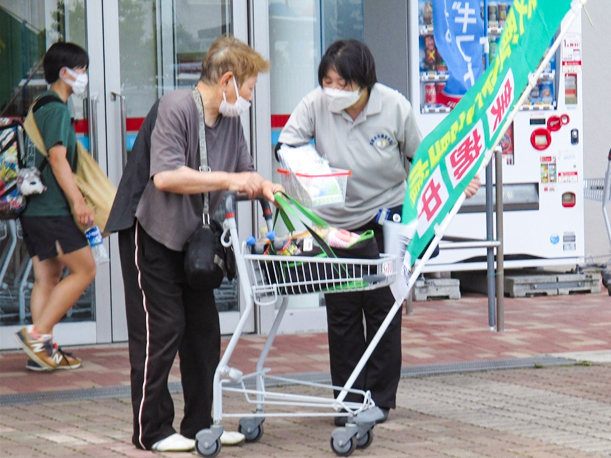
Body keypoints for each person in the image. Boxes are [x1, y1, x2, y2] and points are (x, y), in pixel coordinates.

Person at [278, 39, 480, 426]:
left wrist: (456, 181)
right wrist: (306, 168)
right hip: (334, 222)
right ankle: (349, 397)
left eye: (341, 83)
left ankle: (381, 398)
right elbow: (287, 143)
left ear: (363, 82)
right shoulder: (315, 104)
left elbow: (422, 158)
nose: (332, 91)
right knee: (341, 312)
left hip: (384, 215)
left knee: (382, 308)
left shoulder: (394, 107)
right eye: (327, 81)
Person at [104, 36, 282, 453]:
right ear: (227, 81)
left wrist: (269, 188)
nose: (251, 98)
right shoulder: (176, 107)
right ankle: (152, 430)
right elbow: (166, 177)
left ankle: (202, 425)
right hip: (149, 231)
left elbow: (244, 172)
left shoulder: (230, 120)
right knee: (161, 330)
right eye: (250, 89)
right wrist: (231, 180)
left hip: (193, 241)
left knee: (204, 333)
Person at [14, 42, 96, 371]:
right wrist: (78, 203)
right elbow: (59, 160)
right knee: (85, 269)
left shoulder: (38, 106)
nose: (84, 76)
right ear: (65, 73)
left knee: (47, 277)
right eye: (82, 70)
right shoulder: (58, 109)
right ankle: (38, 336)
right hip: (53, 209)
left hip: (33, 209)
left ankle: (41, 355)